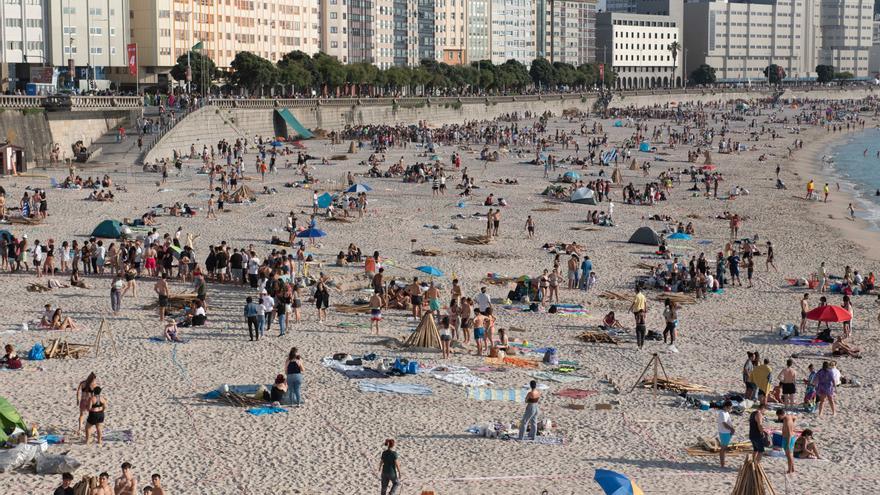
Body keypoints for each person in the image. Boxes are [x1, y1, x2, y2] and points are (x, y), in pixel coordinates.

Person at [76, 372, 97, 437]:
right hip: (89, 401)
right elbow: (95, 395)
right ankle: (91, 428)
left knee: (81, 415)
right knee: (92, 415)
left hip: (83, 400)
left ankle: (80, 428)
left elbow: (78, 391)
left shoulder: (82, 383)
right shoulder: (93, 385)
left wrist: (77, 399)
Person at [777, 408, 797, 474]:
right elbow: (795, 417)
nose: (778, 418)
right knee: (790, 454)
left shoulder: (787, 421)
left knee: (789, 455)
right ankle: (792, 468)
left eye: (779, 416)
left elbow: (789, 434)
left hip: (789, 438)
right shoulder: (789, 416)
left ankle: (789, 470)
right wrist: (793, 424)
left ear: (781, 414)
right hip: (790, 437)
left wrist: (788, 444)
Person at [717, 400, 735, 468]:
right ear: (726, 407)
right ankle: (722, 464)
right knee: (723, 449)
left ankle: (723, 462)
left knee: (724, 448)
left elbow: (728, 422)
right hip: (724, 432)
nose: (731, 409)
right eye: (730, 407)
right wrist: (731, 429)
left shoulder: (726, 412)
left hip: (727, 432)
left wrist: (732, 429)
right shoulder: (722, 413)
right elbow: (724, 424)